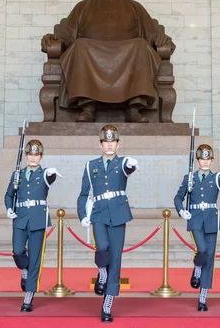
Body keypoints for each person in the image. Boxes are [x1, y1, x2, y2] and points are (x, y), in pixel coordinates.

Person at [41, 0, 175, 123]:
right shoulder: (83, 7)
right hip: (90, 53)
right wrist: (55, 38)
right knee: (80, 45)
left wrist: (161, 38)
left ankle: (134, 108)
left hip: (128, 54)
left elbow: (152, 34)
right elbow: (68, 35)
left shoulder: (134, 7)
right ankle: (87, 106)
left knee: (141, 45)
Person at [77, 125, 138, 323]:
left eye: (113, 141)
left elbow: (129, 168)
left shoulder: (123, 163)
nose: (109, 144)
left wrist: (131, 165)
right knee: (101, 248)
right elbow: (84, 193)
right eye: (106, 141)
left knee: (116, 259)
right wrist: (82, 215)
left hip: (119, 212)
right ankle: (101, 272)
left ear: (118, 144)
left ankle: (107, 305)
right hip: (99, 212)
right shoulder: (91, 165)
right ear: (101, 144)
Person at [173, 144, 220, 311]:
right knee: (203, 250)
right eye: (202, 159)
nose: (205, 162)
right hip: (195, 220)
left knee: (210, 257)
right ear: (197, 161)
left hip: (211, 221)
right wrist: (181, 211)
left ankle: (202, 297)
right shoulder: (189, 178)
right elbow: (178, 197)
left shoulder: (215, 178)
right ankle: (197, 268)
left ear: (212, 161)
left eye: (208, 159)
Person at [4, 139, 61, 312]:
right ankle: (24, 270)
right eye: (30, 154)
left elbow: (49, 178)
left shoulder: (44, 173)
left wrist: (51, 173)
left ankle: (29, 296)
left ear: (41, 157)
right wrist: (8, 208)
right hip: (20, 217)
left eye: (36, 155)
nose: (33, 158)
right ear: (26, 156)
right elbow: (9, 195)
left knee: (35, 258)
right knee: (18, 251)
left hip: (38, 219)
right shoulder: (17, 174)